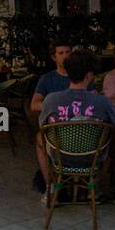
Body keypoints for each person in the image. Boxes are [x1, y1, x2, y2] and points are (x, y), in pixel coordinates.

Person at [35, 47, 115, 189]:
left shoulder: (50, 100)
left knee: (39, 138)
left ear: (68, 72)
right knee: (113, 140)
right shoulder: (103, 102)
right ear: (89, 75)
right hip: (93, 157)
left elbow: (43, 126)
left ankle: (50, 186)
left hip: (60, 156)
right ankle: (94, 187)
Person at [29, 42, 72, 192]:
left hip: (79, 127)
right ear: (54, 57)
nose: (65, 56)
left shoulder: (81, 76)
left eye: (68, 52)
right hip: (55, 130)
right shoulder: (47, 79)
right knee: (40, 139)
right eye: (61, 53)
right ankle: (49, 185)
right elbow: (34, 105)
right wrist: (55, 105)